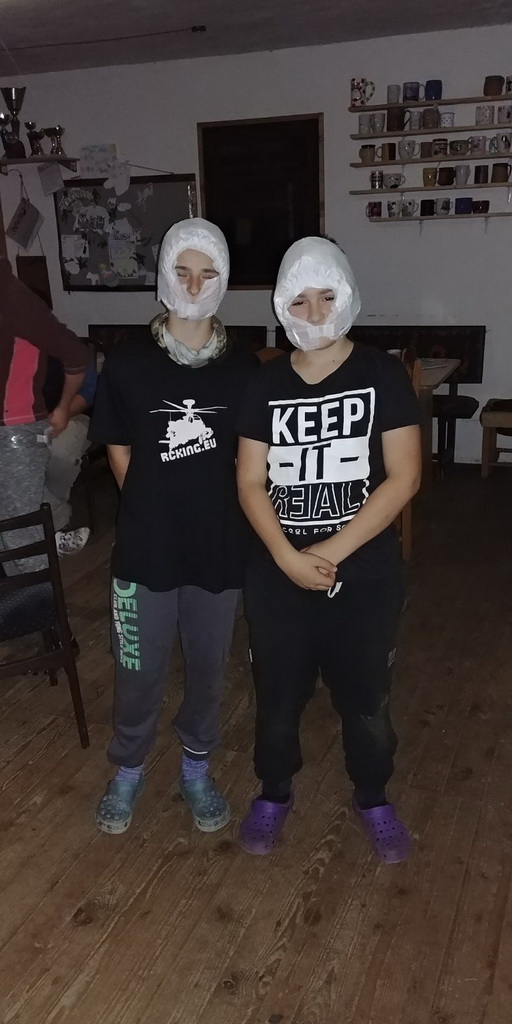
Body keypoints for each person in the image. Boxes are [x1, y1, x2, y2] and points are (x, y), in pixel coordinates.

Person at [236, 237, 421, 862]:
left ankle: (373, 795)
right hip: (277, 572)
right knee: (277, 697)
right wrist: (288, 558)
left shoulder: (380, 374)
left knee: (367, 698)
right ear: (280, 305)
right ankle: (274, 791)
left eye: (326, 297)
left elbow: (404, 477)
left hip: (364, 574)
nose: (314, 314)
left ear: (347, 296)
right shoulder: (264, 382)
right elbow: (249, 480)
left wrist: (332, 553)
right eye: (299, 300)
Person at [89, 217, 257, 835]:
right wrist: (149, 504)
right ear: (163, 276)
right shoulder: (128, 364)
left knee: (209, 670)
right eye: (181, 272)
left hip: (218, 547)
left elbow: (253, 459)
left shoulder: (246, 370)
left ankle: (196, 766)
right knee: (138, 673)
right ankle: (129, 767)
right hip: (146, 550)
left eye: (206, 274)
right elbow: (118, 444)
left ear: (223, 280)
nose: (192, 286)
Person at [0, 258, 88, 574]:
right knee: (11, 532)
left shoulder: (11, 296)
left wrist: (63, 406)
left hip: (14, 431)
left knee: (20, 534)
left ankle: (43, 600)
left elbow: (77, 355)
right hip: (13, 431)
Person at [43, 352, 98, 555]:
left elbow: (88, 392)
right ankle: (55, 530)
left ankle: (52, 527)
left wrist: (60, 412)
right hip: (23, 423)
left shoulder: (71, 348)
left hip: (73, 416)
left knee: (60, 450)